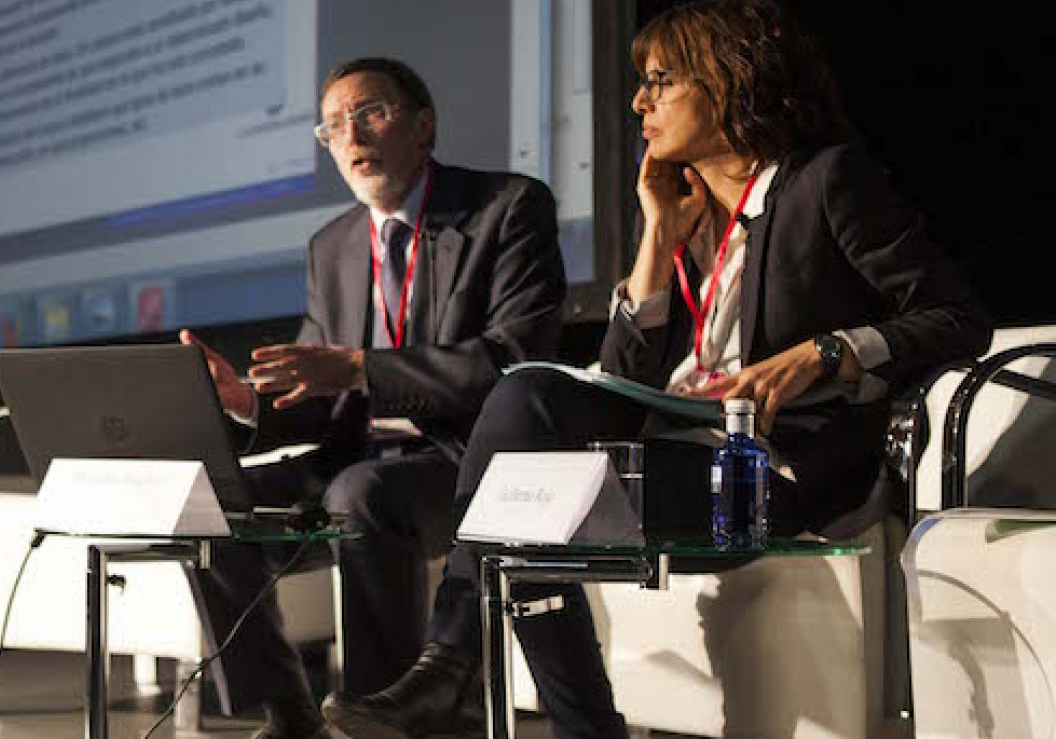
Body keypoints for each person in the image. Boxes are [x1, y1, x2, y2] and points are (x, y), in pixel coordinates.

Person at [322, 2, 993, 738]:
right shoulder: (684, 212)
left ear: (730, 80)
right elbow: (619, 372)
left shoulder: (823, 183)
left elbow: (958, 315)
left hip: (771, 465)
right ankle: (474, 678)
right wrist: (655, 240)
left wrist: (827, 351)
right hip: (673, 444)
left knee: (525, 472)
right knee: (527, 434)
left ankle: (469, 676)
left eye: (660, 82)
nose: (638, 101)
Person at [179, 57, 567, 738]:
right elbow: (317, 386)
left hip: (470, 460)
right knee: (204, 498)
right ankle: (288, 709)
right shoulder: (331, 247)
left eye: (369, 113)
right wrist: (246, 399)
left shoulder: (507, 209)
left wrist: (360, 367)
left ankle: (384, 711)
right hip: (355, 456)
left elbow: (511, 362)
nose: (350, 135)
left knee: (361, 492)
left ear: (423, 126)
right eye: (332, 126)